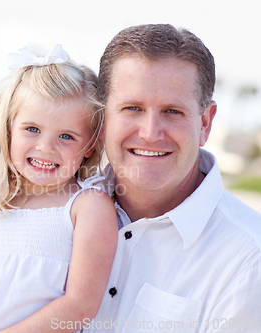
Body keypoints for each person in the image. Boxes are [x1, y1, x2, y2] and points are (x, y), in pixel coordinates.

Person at [0, 45, 118, 332]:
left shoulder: (86, 207)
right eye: (32, 129)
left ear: (89, 147)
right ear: (8, 130)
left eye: (66, 136)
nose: (45, 147)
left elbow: (79, 306)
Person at [82, 24, 261, 332]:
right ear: (102, 117)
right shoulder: (55, 213)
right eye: (132, 108)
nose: (150, 133)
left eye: (173, 112)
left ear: (205, 123)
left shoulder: (248, 259)